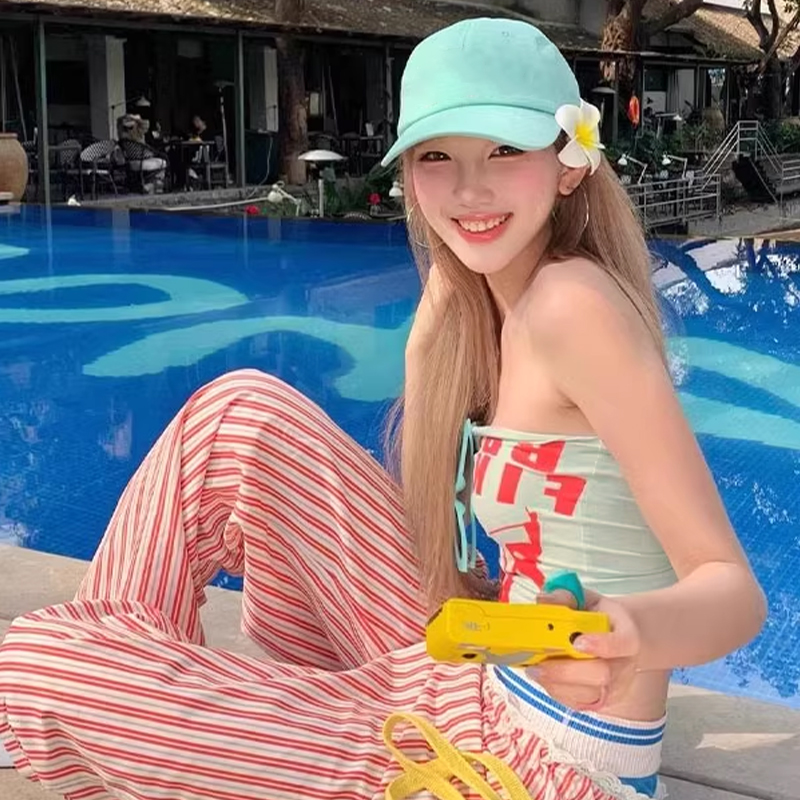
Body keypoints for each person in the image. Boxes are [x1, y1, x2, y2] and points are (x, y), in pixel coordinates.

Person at [0, 17, 765, 800]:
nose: (469, 189)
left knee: (37, 666)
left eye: (504, 150)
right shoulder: (479, 299)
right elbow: (450, 517)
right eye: (437, 157)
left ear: (569, 166)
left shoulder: (574, 306)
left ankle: (126, 702)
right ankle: (135, 679)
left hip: (535, 766)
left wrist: (621, 634)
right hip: (475, 674)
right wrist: (435, 333)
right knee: (238, 416)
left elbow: (733, 591)